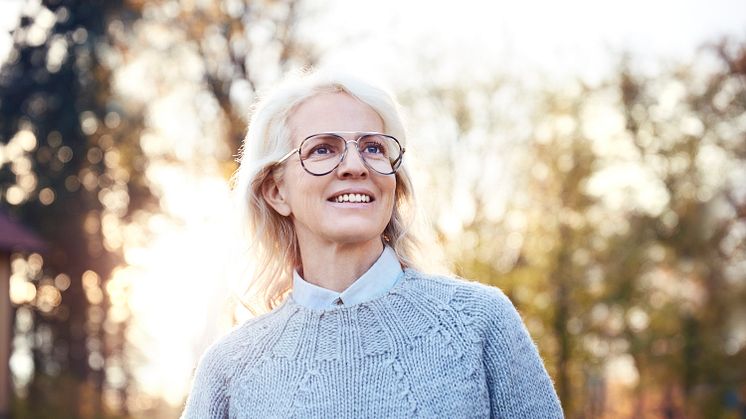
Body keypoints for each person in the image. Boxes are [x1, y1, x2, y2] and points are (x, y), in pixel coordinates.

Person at [180, 70, 563, 418]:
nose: (355, 166)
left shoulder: (479, 322)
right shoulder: (229, 367)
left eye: (374, 148)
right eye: (323, 149)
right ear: (277, 191)